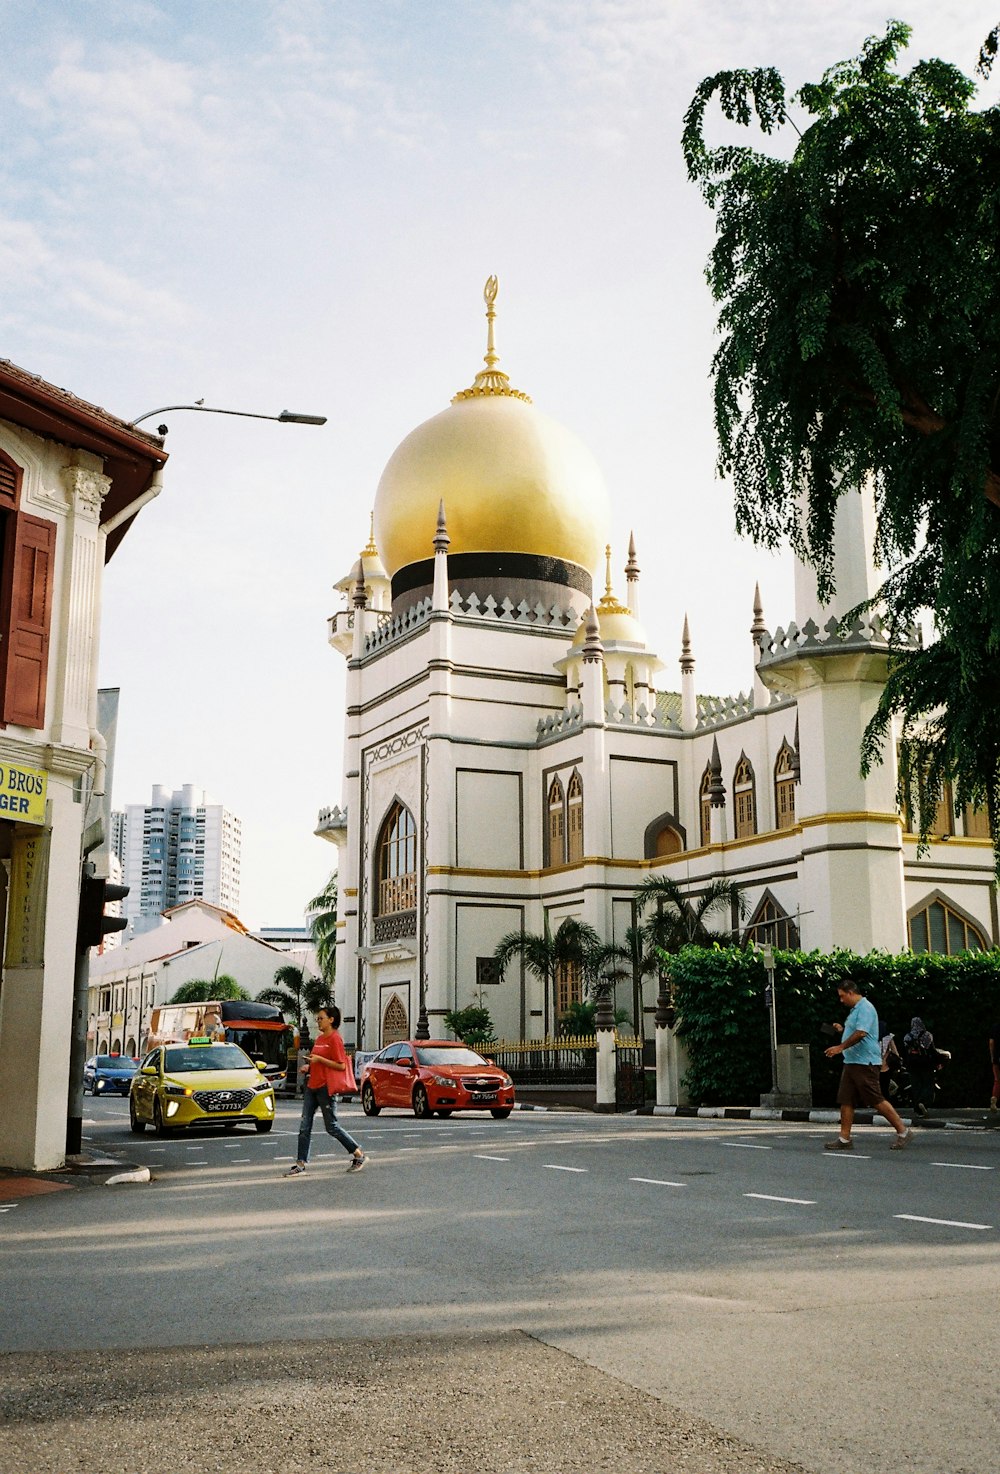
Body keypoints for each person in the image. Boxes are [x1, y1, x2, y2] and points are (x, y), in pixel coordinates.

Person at [823, 983, 912, 1151]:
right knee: (846, 1100)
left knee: (875, 1099)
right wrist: (842, 1030)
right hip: (852, 1062)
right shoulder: (856, 1010)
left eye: (842, 996)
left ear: (851, 992)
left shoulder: (865, 1008)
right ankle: (844, 1138)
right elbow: (855, 1031)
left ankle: (903, 1131)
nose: (841, 1000)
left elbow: (861, 1033)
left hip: (865, 1063)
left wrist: (840, 1047)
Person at [284, 1004, 366, 1176]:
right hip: (312, 1086)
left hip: (326, 1088)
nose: (319, 1022)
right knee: (304, 1126)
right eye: (318, 1019)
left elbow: (341, 1065)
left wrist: (319, 1060)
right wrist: (308, 1066)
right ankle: (300, 1163)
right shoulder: (320, 1039)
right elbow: (317, 1061)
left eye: (321, 1018)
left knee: (332, 1127)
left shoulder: (335, 1039)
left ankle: (358, 1154)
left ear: (331, 1020)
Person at [902, 1016, 938, 1117]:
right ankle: (924, 1102)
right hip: (926, 1063)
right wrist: (938, 1061)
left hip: (912, 1064)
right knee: (928, 1084)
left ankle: (918, 1108)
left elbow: (906, 1052)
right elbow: (932, 1050)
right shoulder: (927, 1035)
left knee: (916, 1085)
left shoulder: (907, 1037)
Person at [989, 1018, 1000, 1112]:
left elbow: (991, 1043)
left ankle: (994, 1099)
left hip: (997, 1058)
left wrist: (992, 1056)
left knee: (997, 1081)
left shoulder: (995, 1027)